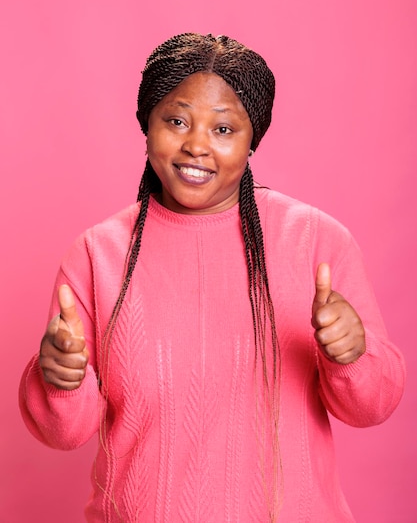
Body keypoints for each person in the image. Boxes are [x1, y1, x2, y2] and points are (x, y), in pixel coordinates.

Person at [19, 33, 405, 522]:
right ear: (147, 124)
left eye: (224, 129)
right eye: (176, 121)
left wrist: (353, 355)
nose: (197, 144)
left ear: (252, 139)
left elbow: (372, 408)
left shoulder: (315, 241)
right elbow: (63, 433)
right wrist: (59, 380)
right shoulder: (98, 253)